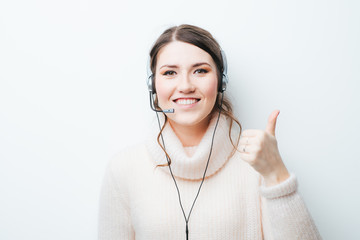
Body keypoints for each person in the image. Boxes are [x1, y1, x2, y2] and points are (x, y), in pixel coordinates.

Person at [98, 24, 322, 240]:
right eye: (169, 73)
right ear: (153, 85)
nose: (185, 85)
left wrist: (276, 176)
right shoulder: (123, 169)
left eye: (200, 70)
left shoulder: (258, 163)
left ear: (220, 82)